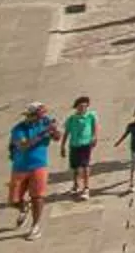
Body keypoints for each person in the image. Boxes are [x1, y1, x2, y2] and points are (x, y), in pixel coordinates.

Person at [7, 105, 57, 234]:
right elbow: (23, 146)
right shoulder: (18, 129)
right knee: (13, 200)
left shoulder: (45, 122)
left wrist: (54, 131)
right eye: (38, 115)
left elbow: (57, 137)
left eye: (42, 115)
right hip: (20, 167)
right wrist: (43, 134)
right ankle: (24, 207)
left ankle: (35, 226)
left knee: (38, 196)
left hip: (39, 165)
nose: (41, 117)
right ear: (31, 115)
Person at [63, 96, 96, 202]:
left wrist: (94, 137)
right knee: (75, 167)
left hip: (85, 145)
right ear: (76, 107)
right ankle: (76, 185)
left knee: (85, 166)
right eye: (80, 106)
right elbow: (67, 132)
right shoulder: (71, 119)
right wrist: (62, 146)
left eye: (85, 106)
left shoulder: (91, 116)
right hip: (74, 145)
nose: (83, 108)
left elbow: (94, 127)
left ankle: (86, 188)